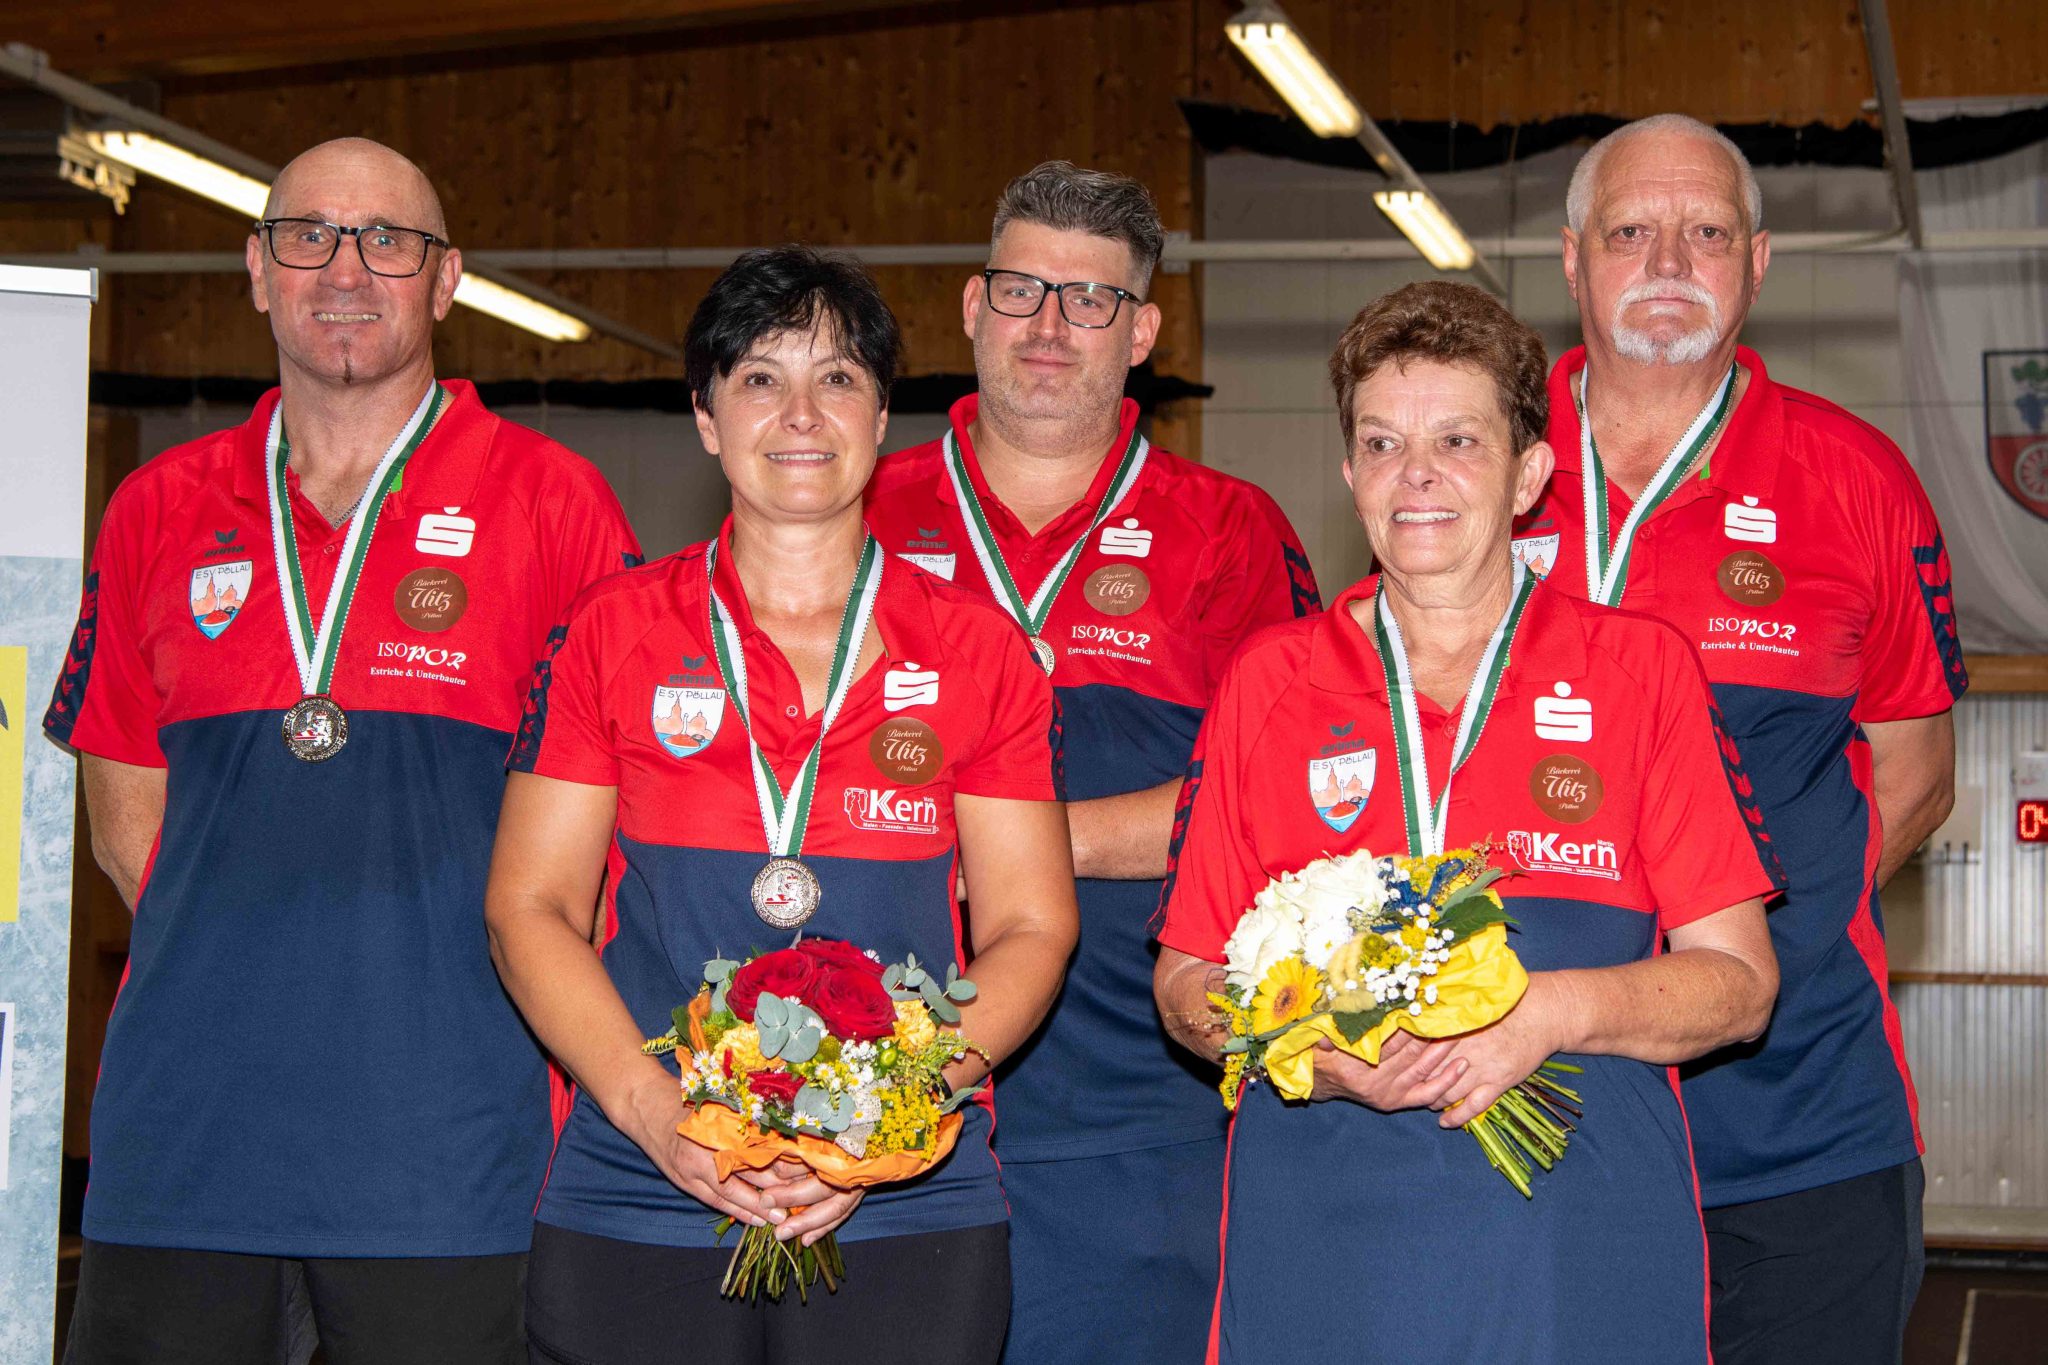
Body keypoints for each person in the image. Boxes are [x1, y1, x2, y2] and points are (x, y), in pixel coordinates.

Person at [43, 138, 642, 1364]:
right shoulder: (156, 504)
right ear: (258, 271)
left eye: (389, 242)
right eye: (308, 236)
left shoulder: (553, 501)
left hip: (455, 1160)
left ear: (446, 280)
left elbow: (616, 831)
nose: (346, 270)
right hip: (185, 1157)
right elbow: (124, 824)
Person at [1155, 280, 1783, 1362]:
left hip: (1577, 1245)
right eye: (1382, 443)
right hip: (1319, 1242)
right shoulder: (1269, 680)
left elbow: (1737, 985)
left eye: (1457, 438)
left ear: (1528, 471)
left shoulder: (1638, 670)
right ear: (1348, 471)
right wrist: (1303, 1044)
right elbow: (1181, 987)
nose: (1417, 476)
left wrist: (1544, 1013)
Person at [488, 245, 1080, 1364]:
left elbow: (1031, 926)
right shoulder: (610, 632)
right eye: (760, 377)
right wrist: (656, 1117)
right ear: (706, 418)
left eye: (838, 379)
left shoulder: (978, 650)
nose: (801, 413)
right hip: (645, 1183)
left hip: (910, 1194)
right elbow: (529, 907)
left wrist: (879, 1127)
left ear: (880, 415)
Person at [1516, 113, 1966, 1363]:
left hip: (1797, 1131)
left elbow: (1915, 774)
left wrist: (1730, 942)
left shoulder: (1852, 478)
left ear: (1756, 262)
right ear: (1570, 260)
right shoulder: (1471, 462)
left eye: (1705, 232)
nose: (1668, 258)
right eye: (1630, 231)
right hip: (1522, 1119)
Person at [863, 160, 1320, 1364]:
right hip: (864, 1085)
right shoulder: (852, 510)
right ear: (970, 307)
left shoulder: (1230, 530)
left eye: (1090, 299)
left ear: (1143, 331)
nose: (1049, 326)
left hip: (1140, 1108)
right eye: (1021, 291)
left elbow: (1269, 804)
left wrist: (1015, 848)